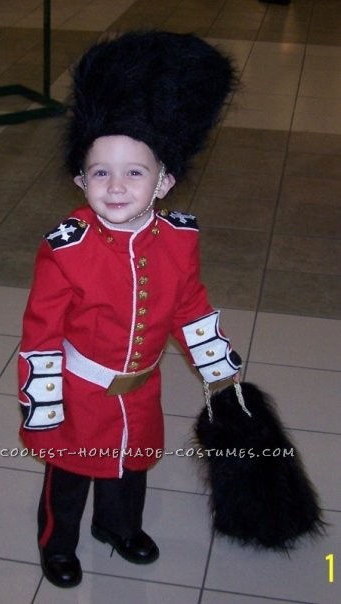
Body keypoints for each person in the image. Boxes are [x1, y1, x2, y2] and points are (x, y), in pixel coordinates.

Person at [18, 31, 241, 588]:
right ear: (80, 179)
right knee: (69, 475)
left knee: (131, 464)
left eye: (134, 172)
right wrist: (45, 410)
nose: (116, 187)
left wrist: (218, 365)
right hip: (80, 390)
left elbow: (190, 305)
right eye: (100, 172)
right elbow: (40, 333)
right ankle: (57, 542)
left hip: (141, 388)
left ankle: (118, 528)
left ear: (163, 181)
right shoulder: (66, 248)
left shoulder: (180, 240)